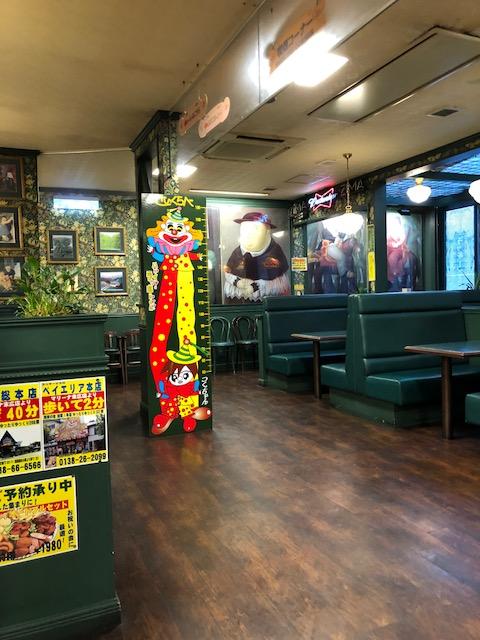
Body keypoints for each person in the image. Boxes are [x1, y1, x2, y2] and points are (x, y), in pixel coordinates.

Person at [223, 212, 289, 303]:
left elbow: (274, 277)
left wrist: (254, 287)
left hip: (266, 302)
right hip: (237, 302)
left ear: (267, 232)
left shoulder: (275, 253)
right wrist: (237, 282)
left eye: (256, 229)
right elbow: (229, 272)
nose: (249, 234)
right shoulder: (237, 253)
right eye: (244, 229)